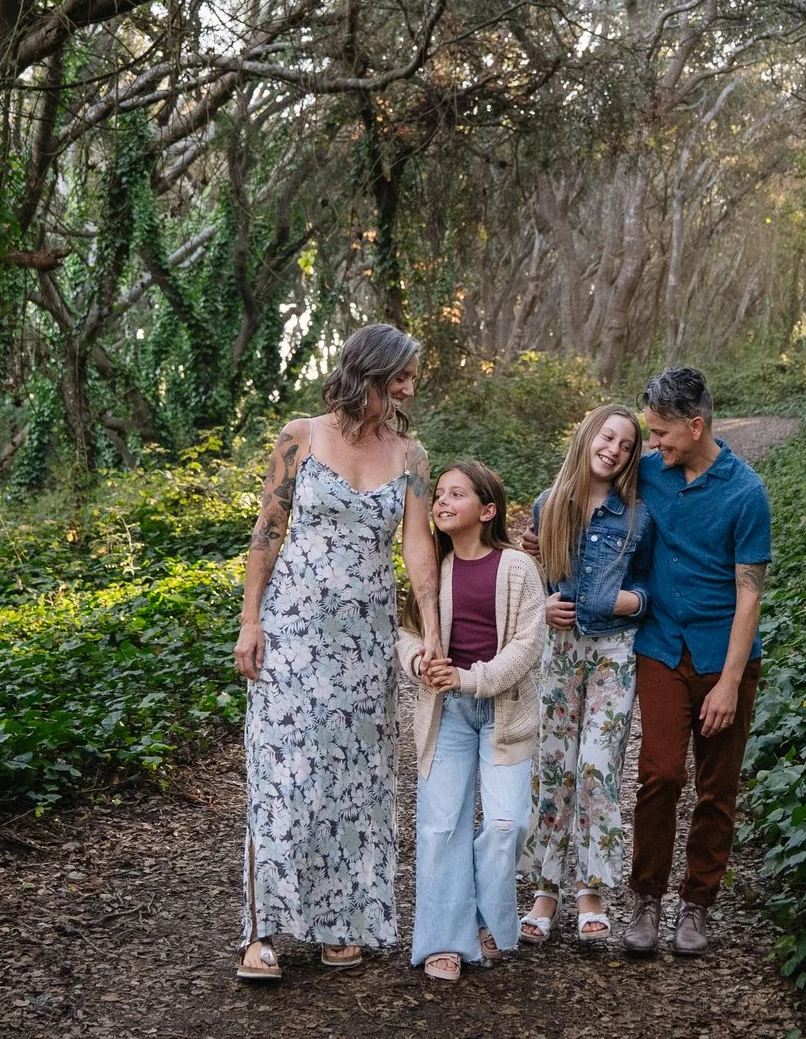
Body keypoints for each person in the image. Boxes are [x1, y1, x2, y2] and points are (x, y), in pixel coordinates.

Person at [234, 324, 441, 981]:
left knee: (352, 781)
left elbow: (417, 549)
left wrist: (430, 626)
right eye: (399, 376)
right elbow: (268, 528)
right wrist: (249, 620)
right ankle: (261, 931)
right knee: (281, 774)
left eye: (409, 377)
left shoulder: (411, 457)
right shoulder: (300, 435)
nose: (409, 388)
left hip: (364, 642)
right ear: (368, 373)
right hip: (292, 628)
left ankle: (341, 920)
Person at [622, 365, 770, 958]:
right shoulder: (649, 475)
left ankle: (698, 904)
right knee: (659, 774)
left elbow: (750, 592)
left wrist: (730, 683)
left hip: (723, 656)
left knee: (717, 786)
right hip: (660, 645)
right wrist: (540, 539)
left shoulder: (745, 493)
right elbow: (587, 501)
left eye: (661, 434)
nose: (653, 444)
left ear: (696, 425)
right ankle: (647, 898)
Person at [394, 461, 545, 982]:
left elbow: (528, 645)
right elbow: (408, 633)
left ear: (487, 510)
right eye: (438, 494)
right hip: (446, 715)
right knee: (441, 826)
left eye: (455, 494)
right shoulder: (430, 566)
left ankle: (486, 918)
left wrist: (469, 678)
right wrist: (420, 663)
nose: (441, 501)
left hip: (504, 712)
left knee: (507, 824)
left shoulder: (517, 569)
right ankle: (444, 938)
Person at [519, 404, 648, 945]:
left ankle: (590, 893)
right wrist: (544, 604)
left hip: (613, 651)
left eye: (626, 445)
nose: (614, 449)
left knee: (596, 766)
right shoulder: (549, 505)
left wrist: (631, 601)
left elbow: (651, 585)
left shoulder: (638, 515)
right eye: (608, 437)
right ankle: (545, 891)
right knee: (555, 767)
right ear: (588, 435)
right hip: (561, 648)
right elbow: (532, 577)